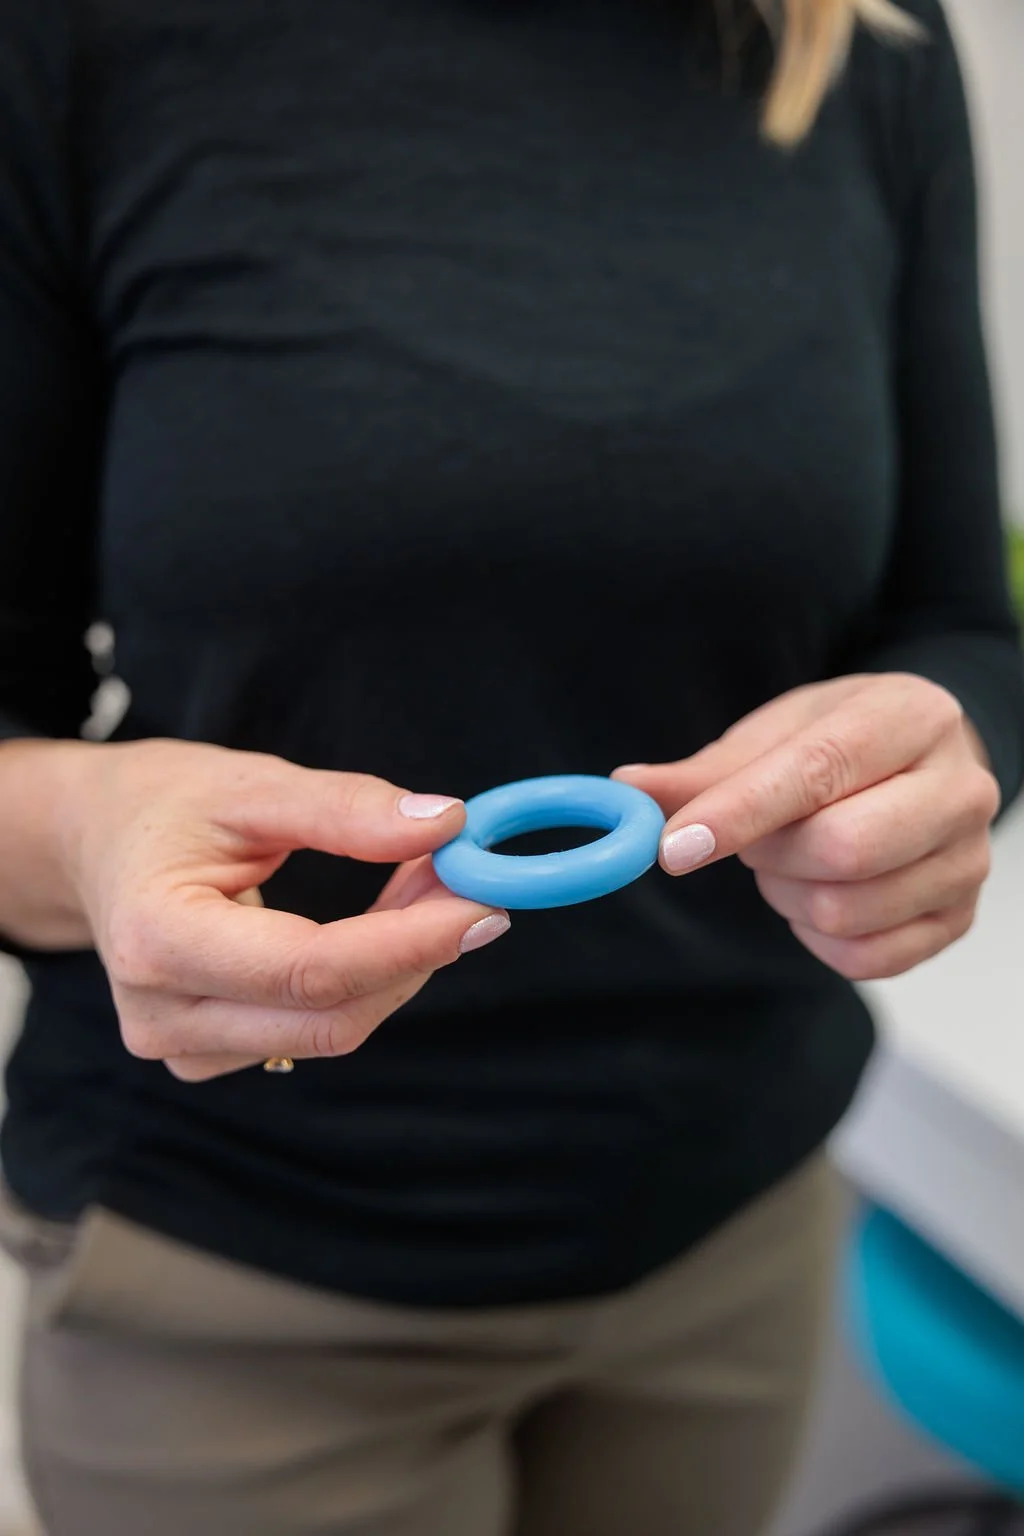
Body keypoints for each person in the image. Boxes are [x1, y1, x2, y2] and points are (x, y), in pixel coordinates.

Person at [0, 0, 1021, 1531]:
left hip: (731, 1228)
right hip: (242, 1280)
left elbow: (961, 626)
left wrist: (948, 749)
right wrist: (88, 830)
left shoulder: (867, 39)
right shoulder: (73, 37)